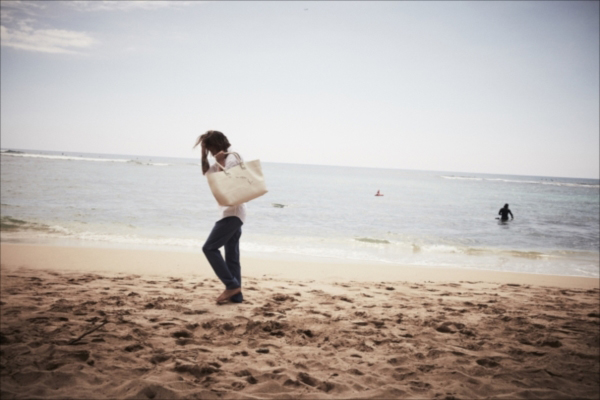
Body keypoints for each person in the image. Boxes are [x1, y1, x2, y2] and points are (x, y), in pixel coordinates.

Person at [194, 130, 245, 305]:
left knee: (209, 248)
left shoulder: (231, 159)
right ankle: (236, 296)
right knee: (232, 256)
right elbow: (206, 172)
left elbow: (231, 183)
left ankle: (231, 285)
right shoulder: (221, 158)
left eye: (210, 148)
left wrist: (221, 162)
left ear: (217, 144)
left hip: (233, 212)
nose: (210, 152)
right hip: (230, 212)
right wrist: (203, 153)